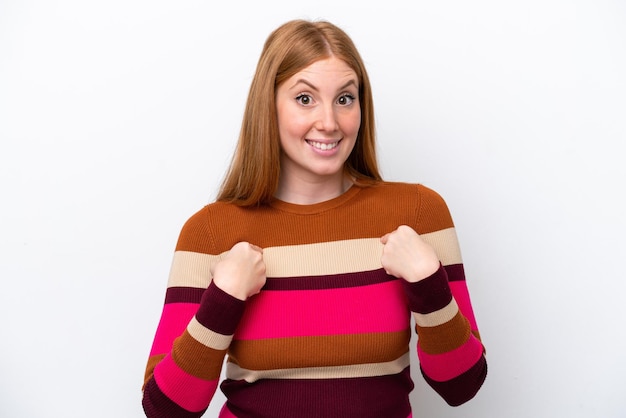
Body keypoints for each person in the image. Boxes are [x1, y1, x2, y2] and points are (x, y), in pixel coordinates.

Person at [141, 19, 487, 418]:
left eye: (344, 99)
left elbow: (462, 385)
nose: (329, 122)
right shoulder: (211, 232)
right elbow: (165, 409)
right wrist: (223, 299)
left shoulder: (418, 214)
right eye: (305, 99)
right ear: (268, 105)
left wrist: (429, 281)